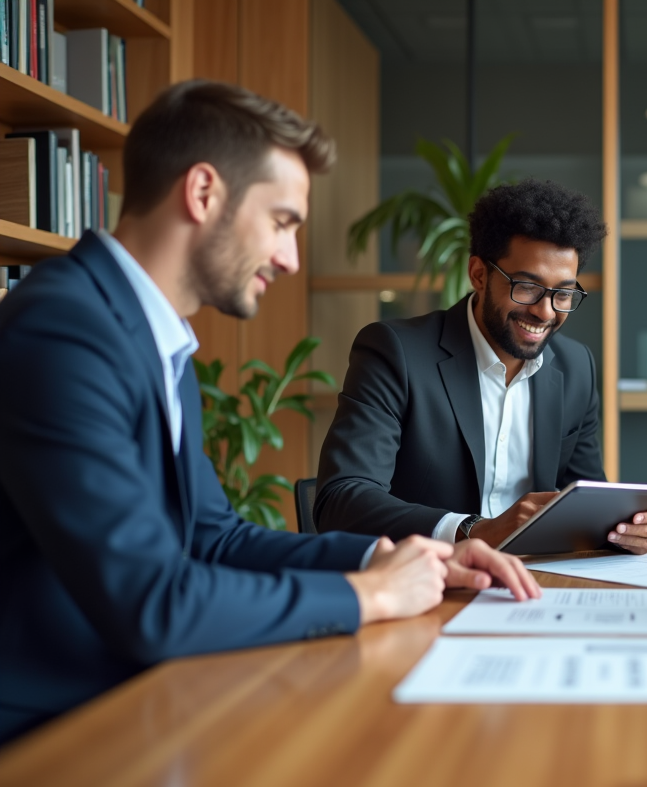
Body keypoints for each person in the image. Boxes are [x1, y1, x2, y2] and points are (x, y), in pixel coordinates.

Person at [0, 80, 541, 745]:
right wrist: (368, 597)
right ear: (203, 193)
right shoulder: (64, 332)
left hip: (131, 706)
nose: (288, 258)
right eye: (283, 221)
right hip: (53, 738)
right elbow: (152, 603)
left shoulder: (147, 338)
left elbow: (212, 538)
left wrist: (388, 556)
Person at [316, 180, 647, 554]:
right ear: (479, 275)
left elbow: (584, 499)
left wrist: (626, 527)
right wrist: (474, 530)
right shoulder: (396, 352)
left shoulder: (576, 367)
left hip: (535, 583)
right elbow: (341, 500)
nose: (545, 312)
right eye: (527, 287)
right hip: (431, 581)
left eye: (563, 294)